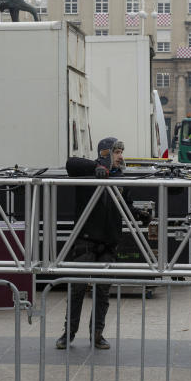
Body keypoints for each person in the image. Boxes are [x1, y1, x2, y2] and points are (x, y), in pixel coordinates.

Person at [56, 137, 126, 350]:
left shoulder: (121, 178)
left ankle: (97, 333)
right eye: (116, 152)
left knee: (103, 291)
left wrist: (139, 215)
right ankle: (69, 333)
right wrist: (98, 166)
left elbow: (125, 206)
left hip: (108, 243)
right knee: (77, 288)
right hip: (85, 240)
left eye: (122, 152)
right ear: (105, 153)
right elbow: (71, 163)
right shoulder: (87, 171)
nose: (121, 156)